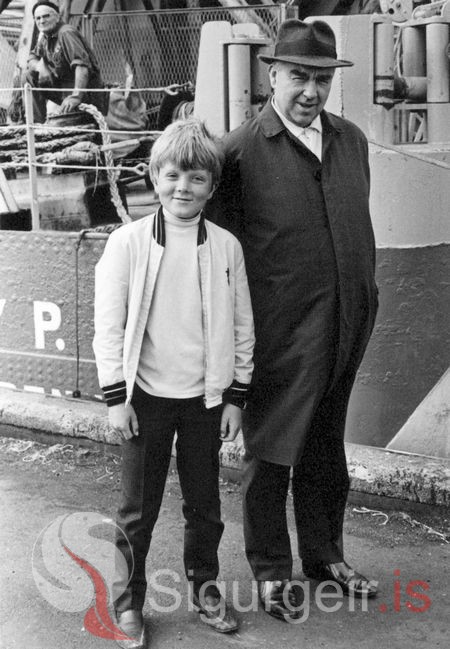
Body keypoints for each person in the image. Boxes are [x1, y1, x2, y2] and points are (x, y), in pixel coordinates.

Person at [207, 19, 379, 621]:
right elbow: (221, 258)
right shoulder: (237, 153)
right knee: (271, 451)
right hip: (276, 332)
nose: (311, 91)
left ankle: (325, 556)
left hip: (345, 323)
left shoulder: (351, 140)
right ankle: (272, 573)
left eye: (322, 79)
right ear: (273, 75)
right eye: (299, 76)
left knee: (327, 447)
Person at [93, 118, 254, 647]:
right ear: (153, 176)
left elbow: (242, 325)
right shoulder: (127, 243)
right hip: (145, 400)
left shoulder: (226, 247)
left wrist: (235, 396)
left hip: (205, 401)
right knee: (137, 511)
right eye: (172, 175)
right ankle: (128, 602)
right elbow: (108, 327)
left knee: (205, 507)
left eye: (197, 178)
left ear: (212, 186)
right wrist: (115, 397)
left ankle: (205, 588)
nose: (183, 187)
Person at [25, 1, 107, 123]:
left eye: (46, 16)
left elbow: (82, 67)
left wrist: (76, 96)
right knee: (29, 75)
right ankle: (37, 124)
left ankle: (42, 124)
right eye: (38, 18)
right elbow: (32, 57)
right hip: (64, 90)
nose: (42, 21)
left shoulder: (66, 33)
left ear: (58, 17)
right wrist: (40, 67)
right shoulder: (46, 37)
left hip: (86, 94)